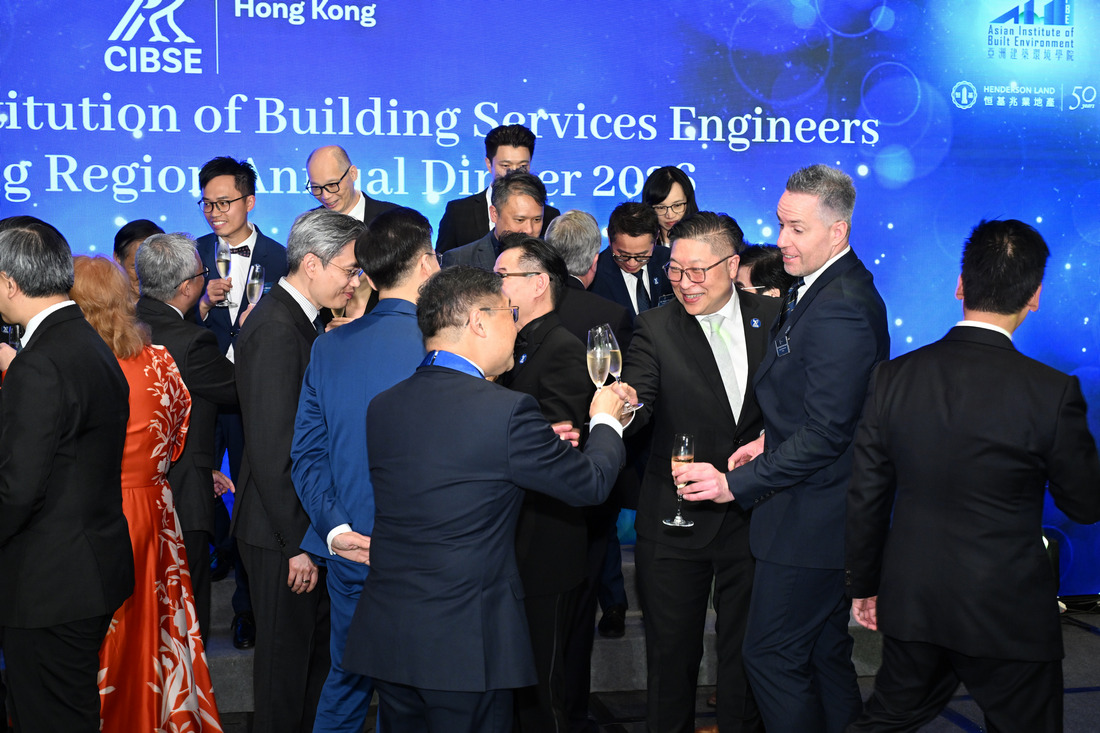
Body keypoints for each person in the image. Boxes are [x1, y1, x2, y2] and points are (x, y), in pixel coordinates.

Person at [342, 266, 631, 733]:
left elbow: (452, 471)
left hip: (390, 633)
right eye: (509, 314)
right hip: (465, 642)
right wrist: (606, 420)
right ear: (479, 320)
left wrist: (534, 446)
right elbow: (592, 483)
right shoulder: (507, 410)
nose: (516, 327)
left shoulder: (385, 405)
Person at [845, 219, 1100, 733]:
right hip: (1008, 609)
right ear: (1035, 296)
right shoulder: (1051, 393)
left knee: (886, 721)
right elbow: (1085, 503)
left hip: (915, 598)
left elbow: (867, 495)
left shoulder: (892, 377)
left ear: (960, 284)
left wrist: (865, 585)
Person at [675, 165, 889, 733]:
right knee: (822, 655)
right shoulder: (820, 287)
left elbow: (828, 433)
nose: (781, 240)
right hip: (811, 514)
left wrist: (734, 483)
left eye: (797, 229)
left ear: (838, 232)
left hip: (811, 520)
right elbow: (825, 406)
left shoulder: (841, 304)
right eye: (780, 225)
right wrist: (768, 438)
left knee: (770, 657)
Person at [622, 212, 777, 733]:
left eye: (697, 271)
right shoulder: (654, 327)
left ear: (732, 266)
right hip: (676, 518)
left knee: (747, 660)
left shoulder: (774, 316)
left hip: (752, 513)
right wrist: (622, 406)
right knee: (670, 662)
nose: (684, 283)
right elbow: (640, 399)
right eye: (674, 270)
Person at [291, 207, 438, 733]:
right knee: (418, 695)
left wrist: (335, 529)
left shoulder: (329, 347)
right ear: (427, 264)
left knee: (347, 681)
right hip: (429, 559)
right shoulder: (447, 347)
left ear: (370, 277)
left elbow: (307, 455)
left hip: (351, 548)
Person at [70, 255, 222, 732]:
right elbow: (176, 441)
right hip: (155, 512)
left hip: (94, 514)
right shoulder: (160, 359)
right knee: (154, 626)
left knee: (100, 633)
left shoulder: (68, 365)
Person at [233, 208, 365, 733]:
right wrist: (296, 545)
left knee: (309, 667)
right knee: (283, 676)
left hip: (299, 529)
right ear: (312, 263)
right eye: (349, 270)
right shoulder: (275, 328)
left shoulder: (300, 321)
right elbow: (273, 449)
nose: (354, 281)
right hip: (280, 533)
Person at [0, 216, 134, 733]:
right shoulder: (88, 341)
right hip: (87, 570)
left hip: (49, 585)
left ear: (9, 282)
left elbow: (17, 490)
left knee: (48, 717)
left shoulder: (39, 362)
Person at [494, 235, 593, 732]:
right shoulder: (515, 346)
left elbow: (559, 445)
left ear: (538, 284)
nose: (494, 286)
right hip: (516, 540)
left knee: (543, 689)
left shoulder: (561, 348)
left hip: (545, 542)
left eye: (502, 277)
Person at [194, 154, 287, 649]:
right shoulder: (191, 255)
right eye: (208, 204)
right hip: (204, 393)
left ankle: (246, 607)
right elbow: (168, 322)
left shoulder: (281, 257)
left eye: (224, 202)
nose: (215, 212)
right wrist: (201, 303)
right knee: (197, 489)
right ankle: (211, 564)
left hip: (257, 392)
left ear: (249, 202)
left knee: (254, 494)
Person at [135, 232, 239, 641]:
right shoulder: (191, 342)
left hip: (130, 495)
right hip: (182, 495)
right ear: (186, 287)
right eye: (202, 273)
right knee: (185, 617)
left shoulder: (120, 326)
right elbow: (240, 388)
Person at [436, 123, 561, 253]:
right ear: (489, 164)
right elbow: (443, 261)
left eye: (523, 166)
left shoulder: (550, 216)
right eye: (506, 166)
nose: (514, 172)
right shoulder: (458, 212)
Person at [441, 171, 549, 270]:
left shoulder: (551, 257)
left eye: (537, 219)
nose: (529, 230)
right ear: (494, 214)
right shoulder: (459, 259)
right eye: (520, 220)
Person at [590, 201, 674, 320]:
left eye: (642, 255)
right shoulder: (594, 275)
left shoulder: (669, 262)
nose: (632, 263)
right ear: (609, 238)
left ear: (656, 239)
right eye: (623, 255)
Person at [306, 144, 398, 223]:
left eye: (332, 185)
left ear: (353, 174)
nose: (325, 196)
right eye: (316, 187)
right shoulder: (307, 226)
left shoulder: (395, 219)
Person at [641, 166, 699, 246]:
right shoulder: (641, 246)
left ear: (689, 202)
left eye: (677, 205)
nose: (670, 215)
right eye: (661, 208)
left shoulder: (705, 243)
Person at [114, 218, 164, 300]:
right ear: (117, 259)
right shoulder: (100, 304)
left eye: (153, 266)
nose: (145, 276)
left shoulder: (180, 304)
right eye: (137, 267)